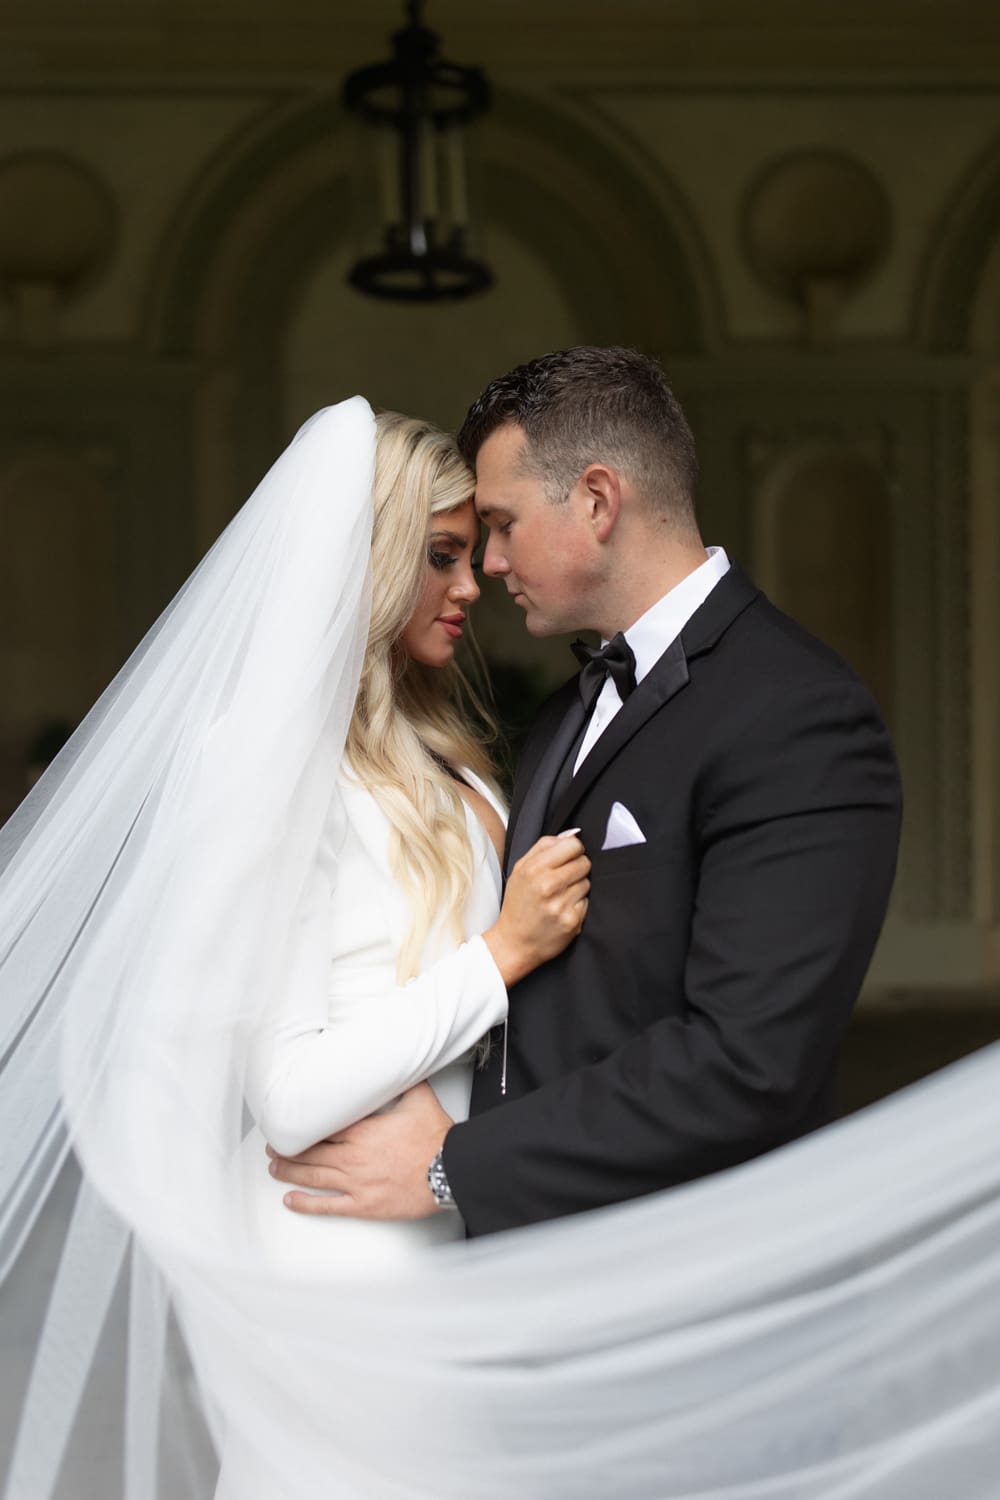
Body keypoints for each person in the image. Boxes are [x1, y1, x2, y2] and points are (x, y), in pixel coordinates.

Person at [268, 346, 903, 1237]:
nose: (488, 564)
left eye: (501, 523)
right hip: (524, 1254)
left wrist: (455, 1168)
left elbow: (750, 1064)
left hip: (683, 1262)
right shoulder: (568, 712)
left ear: (597, 501)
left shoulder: (799, 714)